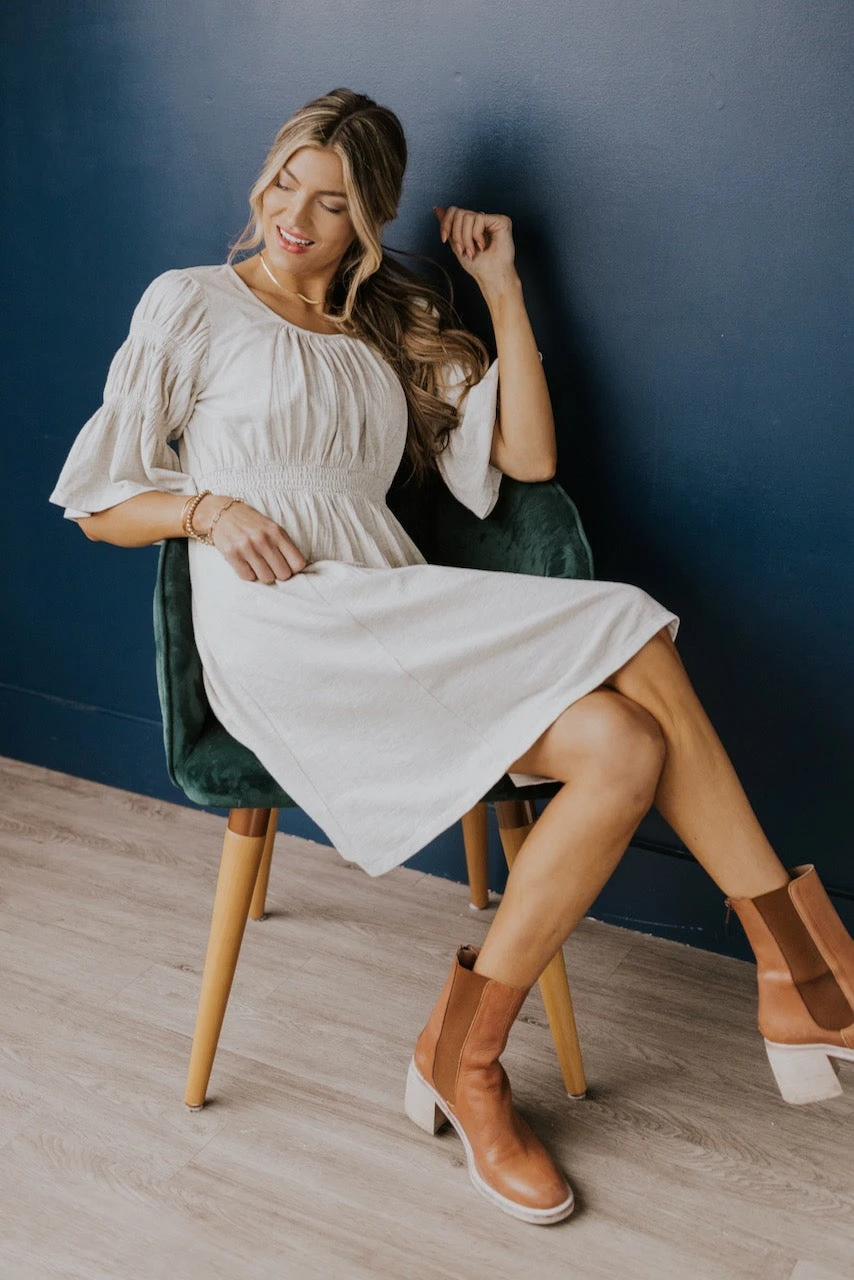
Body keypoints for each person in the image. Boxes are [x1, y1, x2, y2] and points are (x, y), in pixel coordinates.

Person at [49, 88, 854, 1227]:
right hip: (283, 625)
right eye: (285, 183)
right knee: (628, 618)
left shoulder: (386, 328)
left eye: (332, 202)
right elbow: (98, 503)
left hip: (391, 601)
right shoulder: (190, 302)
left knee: (623, 745)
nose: (295, 216)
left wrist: (504, 291)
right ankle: (805, 970)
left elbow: (526, 456)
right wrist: (207, 511)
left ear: (370, 219)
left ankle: (462, 1055)